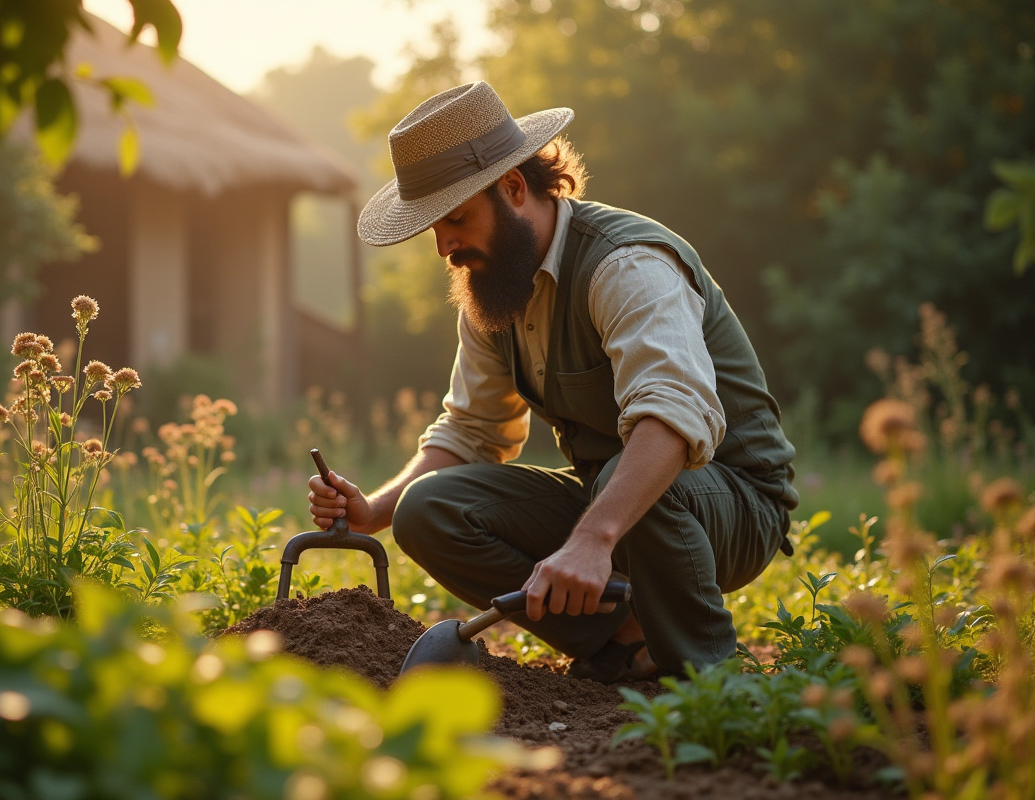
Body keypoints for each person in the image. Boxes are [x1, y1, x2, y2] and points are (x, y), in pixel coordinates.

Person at [309, 81, 798, 682]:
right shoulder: (493, 290)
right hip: (614, 501)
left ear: (513, 188)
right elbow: (472, 430)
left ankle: (709, 677)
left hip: (732, 504)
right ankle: (624, 643)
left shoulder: (627, 264)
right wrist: (373, 511)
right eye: (433, 229)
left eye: (456, 219)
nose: (444, 246)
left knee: (635, 466)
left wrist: (592, 539)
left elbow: (673, 417)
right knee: (428, 509)